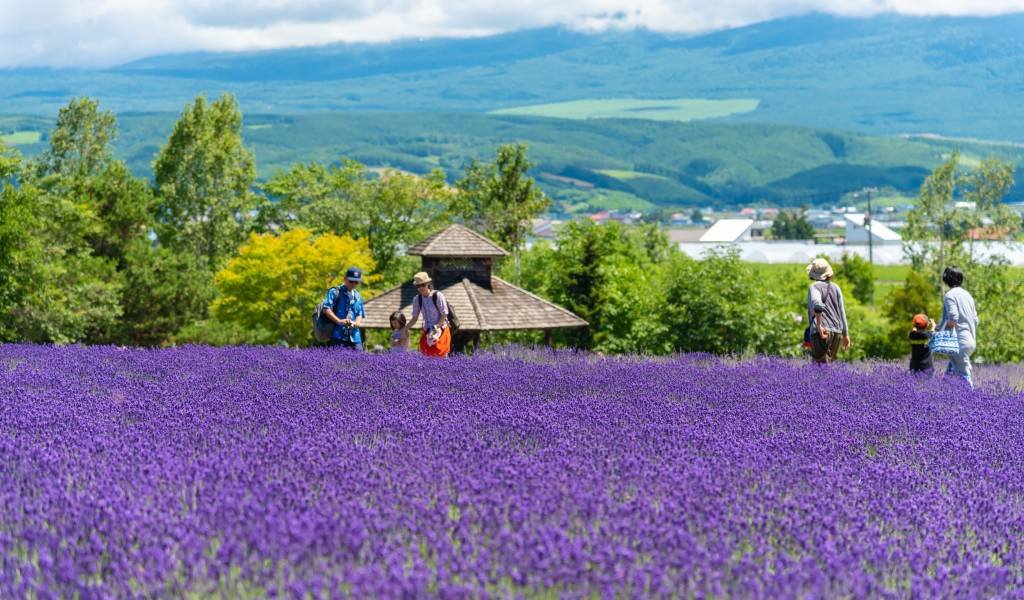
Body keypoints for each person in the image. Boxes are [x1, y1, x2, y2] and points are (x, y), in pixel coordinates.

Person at [939, 266, 978, 387]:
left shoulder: (949, 295)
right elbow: (976, 320)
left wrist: (941, 330)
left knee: (964, 378)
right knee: (949, 375)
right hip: (970, 342)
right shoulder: (968, 295)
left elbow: (953, 317)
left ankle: (974, 401)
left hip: (958, 344)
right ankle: (941, 398)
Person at [805, 258, 850, 363]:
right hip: (836, 333)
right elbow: (841, 312)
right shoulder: (836, 287)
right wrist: (845, 334)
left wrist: (819, 325)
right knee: (828, 368)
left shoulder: (814, 287)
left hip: (821, 331)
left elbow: (818, 305)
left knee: (819, 368)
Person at [406, 271, 451, 357]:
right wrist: (405, 328)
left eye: (423, 285)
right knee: (426, 356)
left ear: (428, 284)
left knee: (441, 356)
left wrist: (436, 327)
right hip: (428, 331)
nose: (421, 288)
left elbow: (444, 314)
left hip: (441, 329)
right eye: (418, 286)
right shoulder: (417, 299)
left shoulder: (437, 296)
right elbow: (415, 318)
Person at [321, 267, 365, 350]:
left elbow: (360, 314)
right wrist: (339, 321)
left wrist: (356, 324)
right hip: (338, 335)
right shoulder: (335, 292)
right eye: (351, 281)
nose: (353, 284)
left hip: (355, 337)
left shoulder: (358, 296)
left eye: (356, 282)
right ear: (345, 279)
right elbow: (326, 308)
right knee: (337, 362)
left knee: (360, 362)